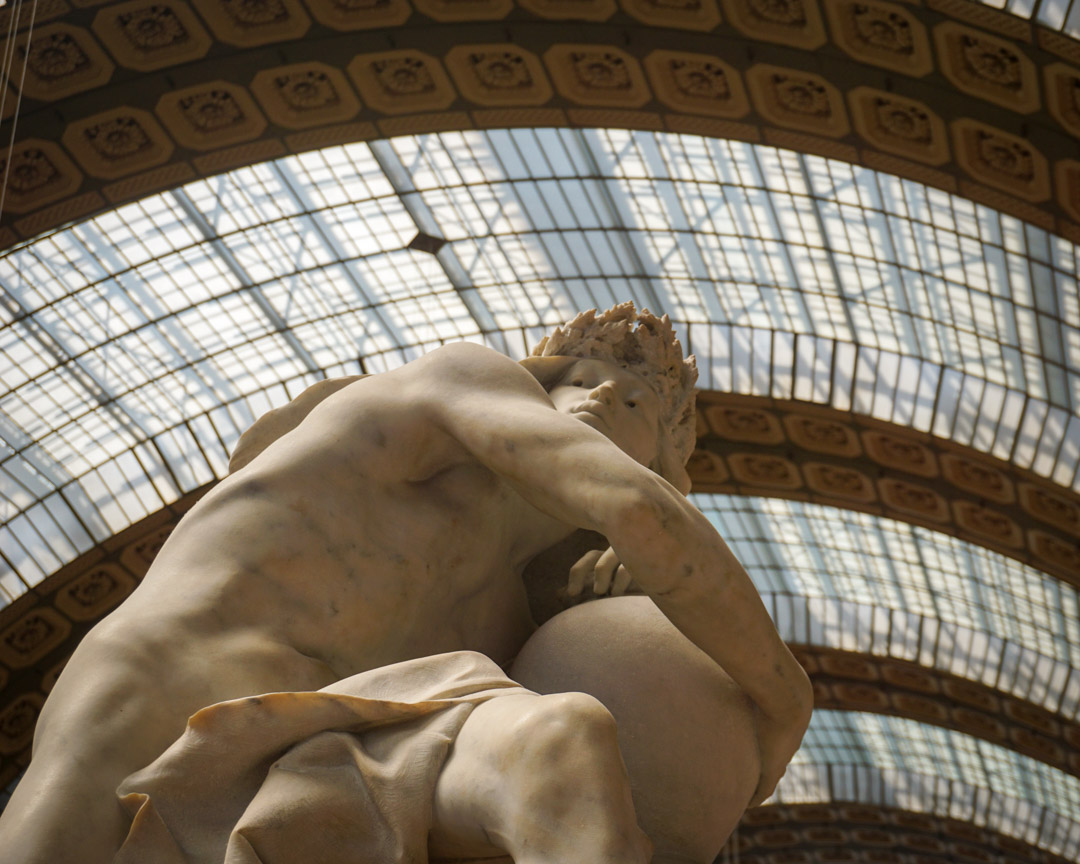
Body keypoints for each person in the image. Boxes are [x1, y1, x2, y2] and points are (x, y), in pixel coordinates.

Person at [0, 303, 812, 864]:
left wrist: (625, 600)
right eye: (580, 377)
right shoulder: (464, 382)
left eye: (634, 403)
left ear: (661, 462)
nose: (601, 395)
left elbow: (635, 597)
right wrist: (785, 699)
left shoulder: (515, 620)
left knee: (559, 749)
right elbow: (637, 511)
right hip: (166, 691)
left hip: (315, 767)